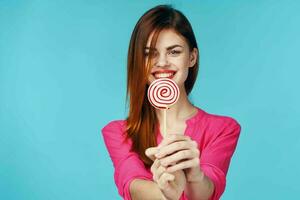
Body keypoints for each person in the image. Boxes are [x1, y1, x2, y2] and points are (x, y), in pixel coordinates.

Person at [101, 5, 241, 200]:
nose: (162, 62)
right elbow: (132, 185)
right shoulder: (119, 132)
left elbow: (209, 190)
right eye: (150, 54)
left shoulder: (223, 128)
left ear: (191, 57)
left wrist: (195, 176)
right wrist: (166, 194)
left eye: (174, 52)